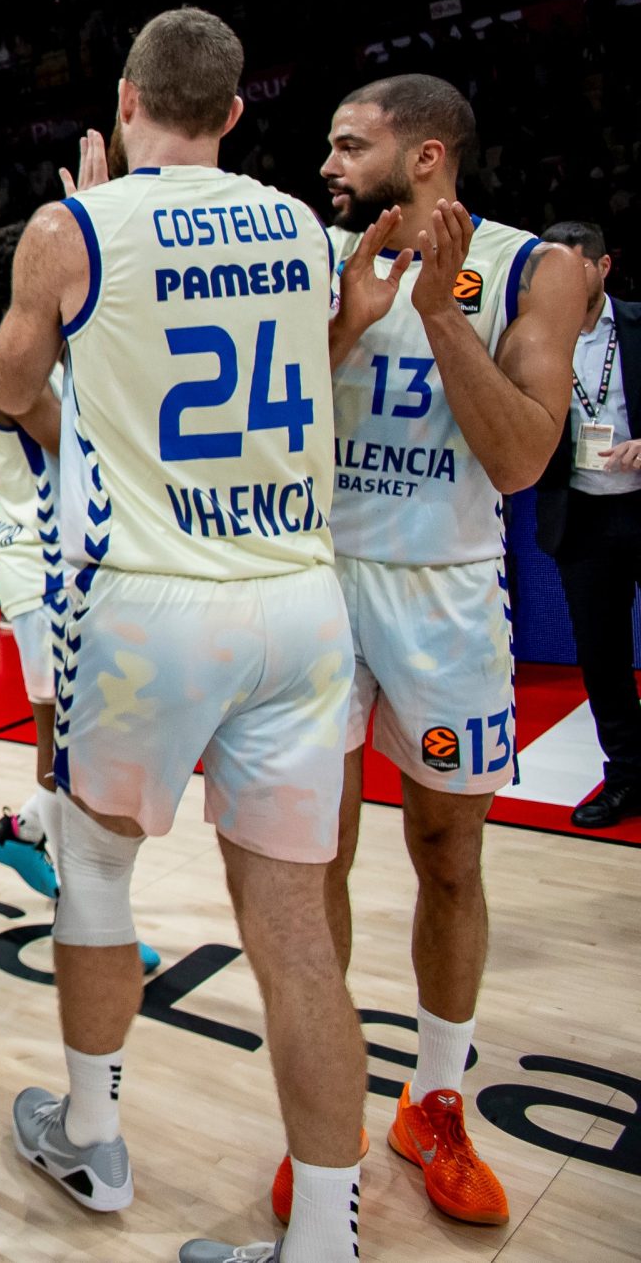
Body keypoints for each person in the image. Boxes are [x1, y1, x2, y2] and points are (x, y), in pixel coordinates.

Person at [0, 6, 366, 1263]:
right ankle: (322, 1236)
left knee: (93, 871)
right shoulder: (305, 228)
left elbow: (6, 391)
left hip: (148, 597)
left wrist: (81, 244)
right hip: (300, 596)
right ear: (238, 113)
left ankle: (91, 1137)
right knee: (297, 932)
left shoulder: (70, 227)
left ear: (125, 97)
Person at [301, 74, 581, 1229]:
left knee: (447, 854)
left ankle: (436, 1101)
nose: (326, 160)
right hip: (317, 581)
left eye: (347, 143)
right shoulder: (309, 251)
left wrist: (434, 313)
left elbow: (521, 458)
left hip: (446, 591)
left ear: (424, 158)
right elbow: (264, 420)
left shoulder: (534, 269)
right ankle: (321, 1121)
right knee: (306, 861)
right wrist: (346, 324)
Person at [0, 147, 168, 977]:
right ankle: (85, 915)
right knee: (78, 761)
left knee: (75, 755)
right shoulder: (16, 372)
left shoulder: (35, 359)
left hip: (64, 569)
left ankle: (21, 831)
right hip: (46, 567)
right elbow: (81, 444)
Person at [534, 221, 641, 828]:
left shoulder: (637, 324)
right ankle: (627, 776)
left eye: (574, 271)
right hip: (580, 517)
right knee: (602, 660)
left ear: (602, 268)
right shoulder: (529, 334)